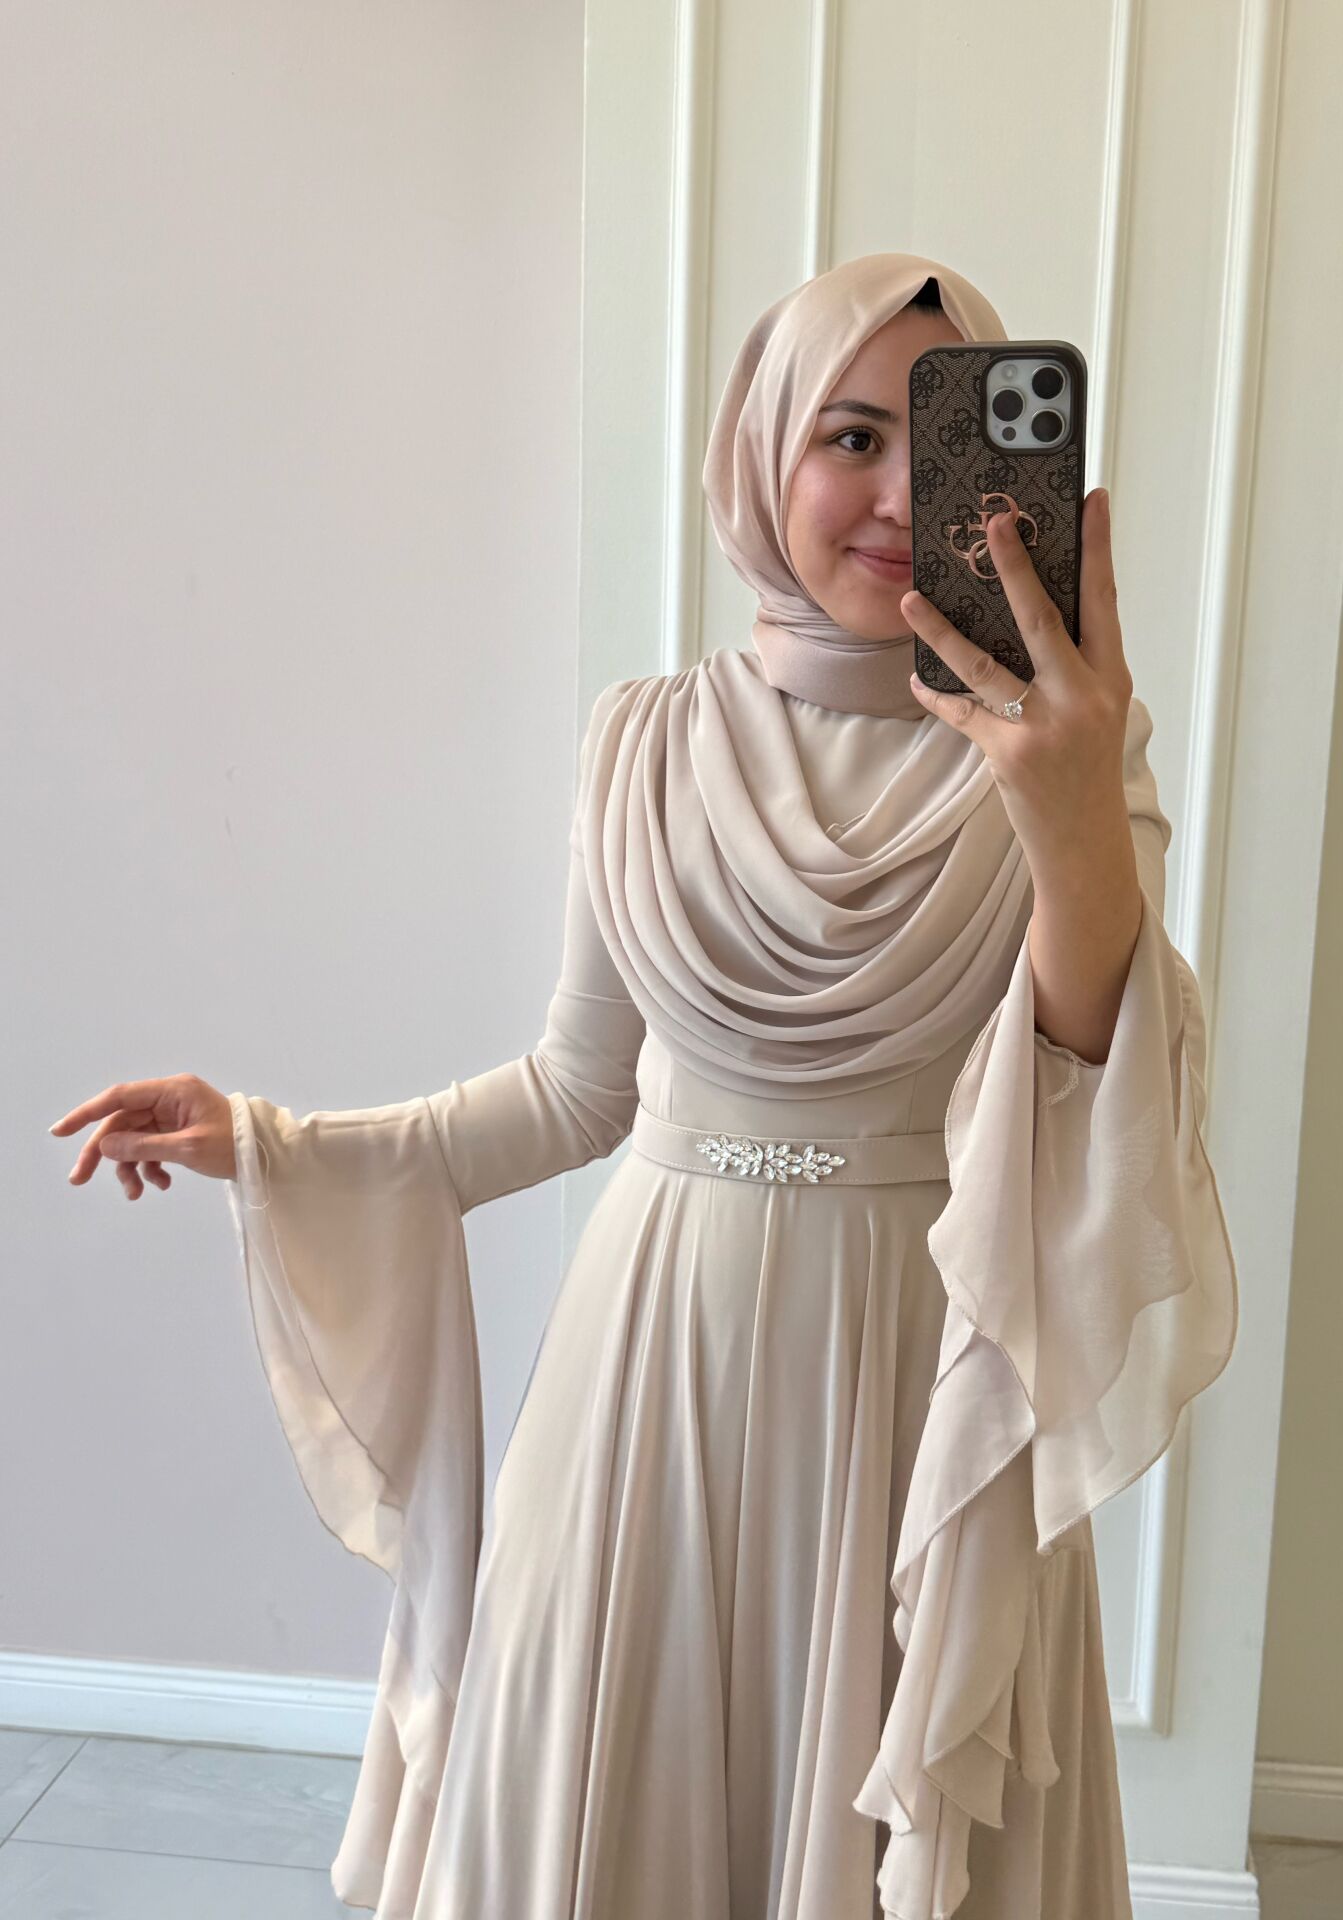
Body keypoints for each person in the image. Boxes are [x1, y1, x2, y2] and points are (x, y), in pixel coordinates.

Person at [50, 252, 1239, 1920]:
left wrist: (1071, 803)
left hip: (927, 1387)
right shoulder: (643, 741)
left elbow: (1102, 1083)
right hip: (648, 1378)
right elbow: (576, 1091)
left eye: (943, 444)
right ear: (762, 454)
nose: (898, 496)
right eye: (850, 436)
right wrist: (269, 1141)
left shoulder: (1075, 746)